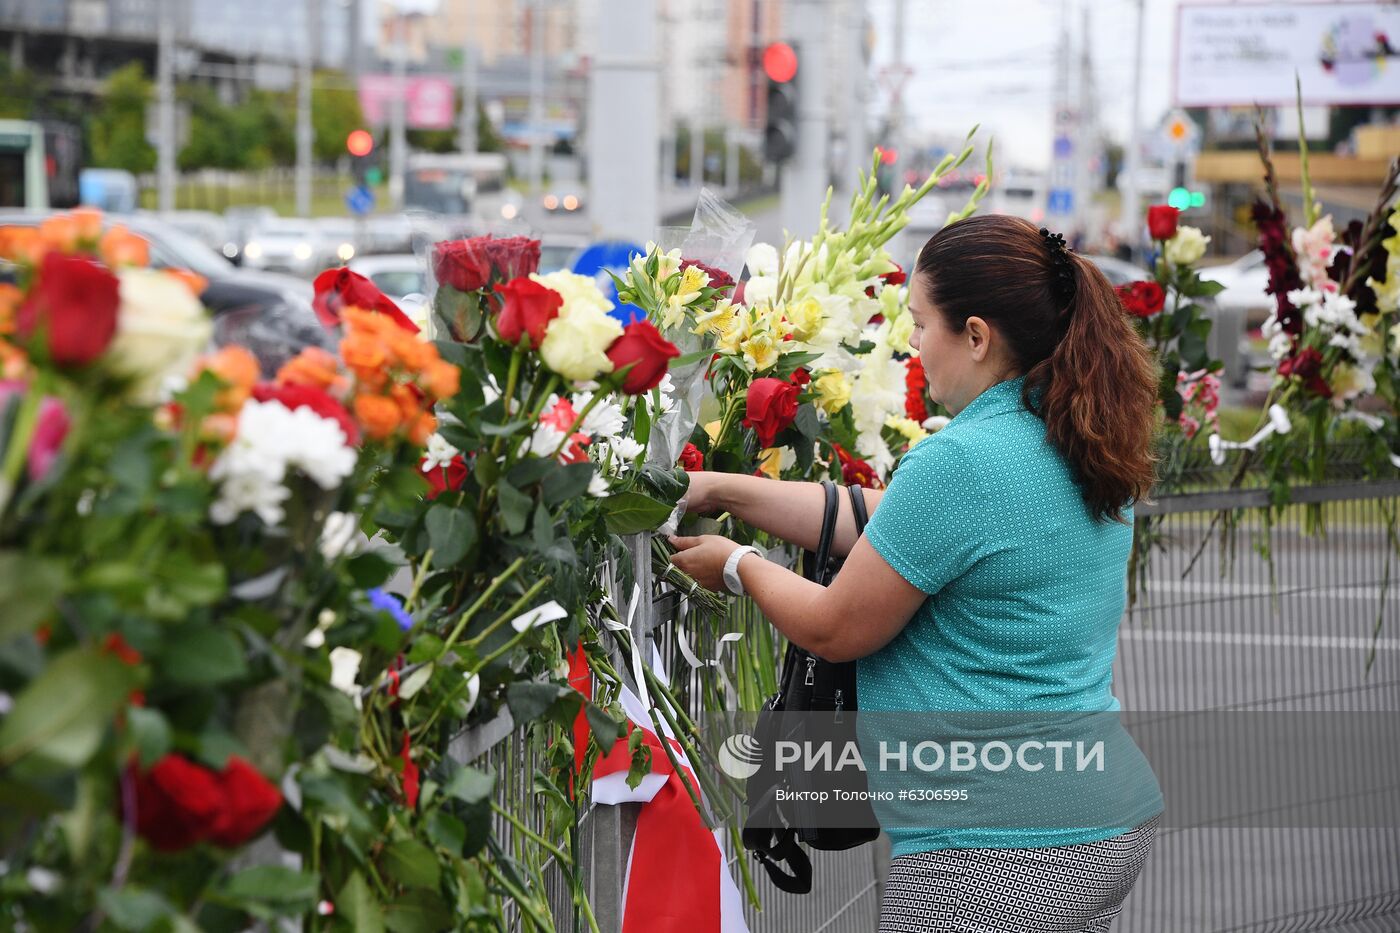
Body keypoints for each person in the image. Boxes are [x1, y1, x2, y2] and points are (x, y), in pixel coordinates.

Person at [669, 213, 1164, 932]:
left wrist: (737, 563)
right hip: (1100, 818)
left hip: (991, 850)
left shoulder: (960, 461)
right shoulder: (1071, 434)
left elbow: (835, 626)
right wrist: (725, 488)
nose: (909, 343)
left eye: (921, 322)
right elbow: (894, 523)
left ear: (975, 335)